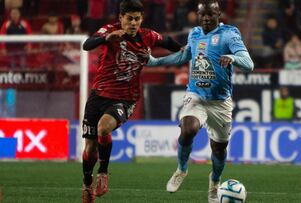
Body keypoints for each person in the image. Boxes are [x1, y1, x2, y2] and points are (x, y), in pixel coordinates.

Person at [147, 0, 254, 202]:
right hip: (195, 95)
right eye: (202, 14)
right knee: (188, 129)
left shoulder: (229, 34)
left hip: (220, 102)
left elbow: (249, 64)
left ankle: (215, 181)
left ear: (218, 14)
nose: (205, 18)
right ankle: (181, 169)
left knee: (219, 149)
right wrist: (155, 62)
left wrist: (233, 58)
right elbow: (183, 56)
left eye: (210, 14)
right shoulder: (194, 34)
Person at [80, 0, 182, 203]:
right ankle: (86, 183)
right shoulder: (110, 30)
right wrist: (107, 38)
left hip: (125, 98)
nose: (133, 23)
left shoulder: (148, 36)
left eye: (137, 19)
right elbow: (87, 45)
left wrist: (188, 50)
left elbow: (169, 42)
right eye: (129, 19)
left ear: (141, 19)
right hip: (98, 94)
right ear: (121, 18)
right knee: (90, 147)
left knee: (103, 128)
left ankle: (104, 173)